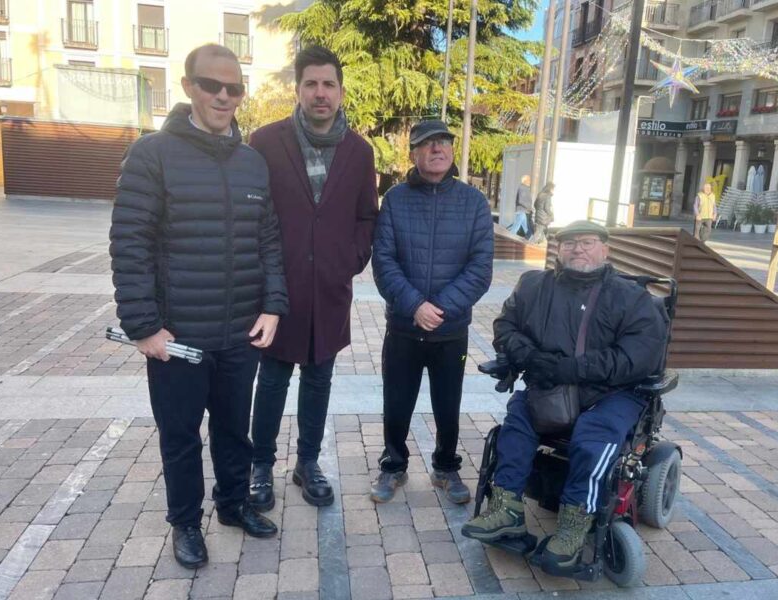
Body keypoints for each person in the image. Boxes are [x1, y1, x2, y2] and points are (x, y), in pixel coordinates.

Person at [110, 44, 287, 569]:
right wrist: (143, 326)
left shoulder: (252, 163)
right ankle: (186, 523)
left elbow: (269, 241)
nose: (224, 96)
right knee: (181, 437)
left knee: (234, 430)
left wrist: (273, 305)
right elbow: (130, 243)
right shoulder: (152, 155)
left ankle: (232, 505)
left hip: (239, 333)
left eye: (234, 88)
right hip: (178, 337)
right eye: (212, 85)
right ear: (188, 87)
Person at [461, 220, 666, 577]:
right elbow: (505, 327)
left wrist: (574, 368)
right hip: (550, 386)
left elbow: (639, 355)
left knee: (592, 438)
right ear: (558, 249)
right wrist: (531, 357)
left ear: (605, 250)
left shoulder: (632, 298)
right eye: (569, 243)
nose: (578, 249)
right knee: (517, 423)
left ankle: (574, 526)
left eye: (587, 242)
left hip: (611, 392)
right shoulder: (534, 286)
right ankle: (506, 510)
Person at [246, 46, 378, 509]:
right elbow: (252, 212)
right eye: (311, 84)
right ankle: (260, 466)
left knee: (319, 379)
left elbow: (367, 216)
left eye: (328, 84)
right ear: (298, 89)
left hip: (330, 291)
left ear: (340, 91)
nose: (320, 93)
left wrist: (349, 260)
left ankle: (307, 462)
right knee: (272, 380)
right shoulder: (265, 142)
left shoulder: (360, 152)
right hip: (278, 290)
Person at [369, 120, 494, 504]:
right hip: (404, 327)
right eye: (427, 144)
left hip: (450, 330)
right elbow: (384, 261)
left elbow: (480, 268)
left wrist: (438, 309)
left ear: (452, 151)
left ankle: (446, 466)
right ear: (413, 154)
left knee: (448, 404)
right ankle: (393, 465)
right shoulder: (395, 200)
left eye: (443, 142)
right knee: (396, 402)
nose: (437, 149)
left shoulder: (474, 203)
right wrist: (414, 306)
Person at [508, 174, 533, 239]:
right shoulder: (523, 188)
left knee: (525, 227)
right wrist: (529, 207)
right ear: (525, 181)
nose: (530, 182)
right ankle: (509, 238)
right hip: (522, 210)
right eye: (529, 180)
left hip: (523, 211)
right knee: (516, 227)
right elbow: (521, 201)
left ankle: (531, 239)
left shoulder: (524, 188)